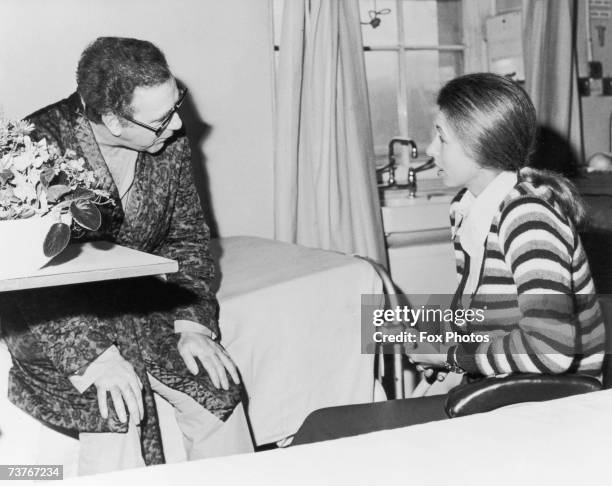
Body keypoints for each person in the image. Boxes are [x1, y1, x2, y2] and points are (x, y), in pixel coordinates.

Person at [292, 72, 605, 444]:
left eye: (441, 137)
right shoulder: (469, 208)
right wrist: (422, 334)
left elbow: (550, 350)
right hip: (499, 380)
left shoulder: (529, 219)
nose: (430, 149)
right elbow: (485, 311)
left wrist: (452, 355)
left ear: (480, 144)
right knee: (364, 327)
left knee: (324, 428)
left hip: (538, 402)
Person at [2, 37, 253, 474]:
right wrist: (95, 359)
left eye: (178, 105)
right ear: (114, 121)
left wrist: (193, 323)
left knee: (218, 392)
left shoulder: (166, 140)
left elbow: (187, 236)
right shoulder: (35, 149)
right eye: (161, 120)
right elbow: (23, 270)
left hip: (135, 304)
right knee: (112, 409)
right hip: (51, 318)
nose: (176, 125)